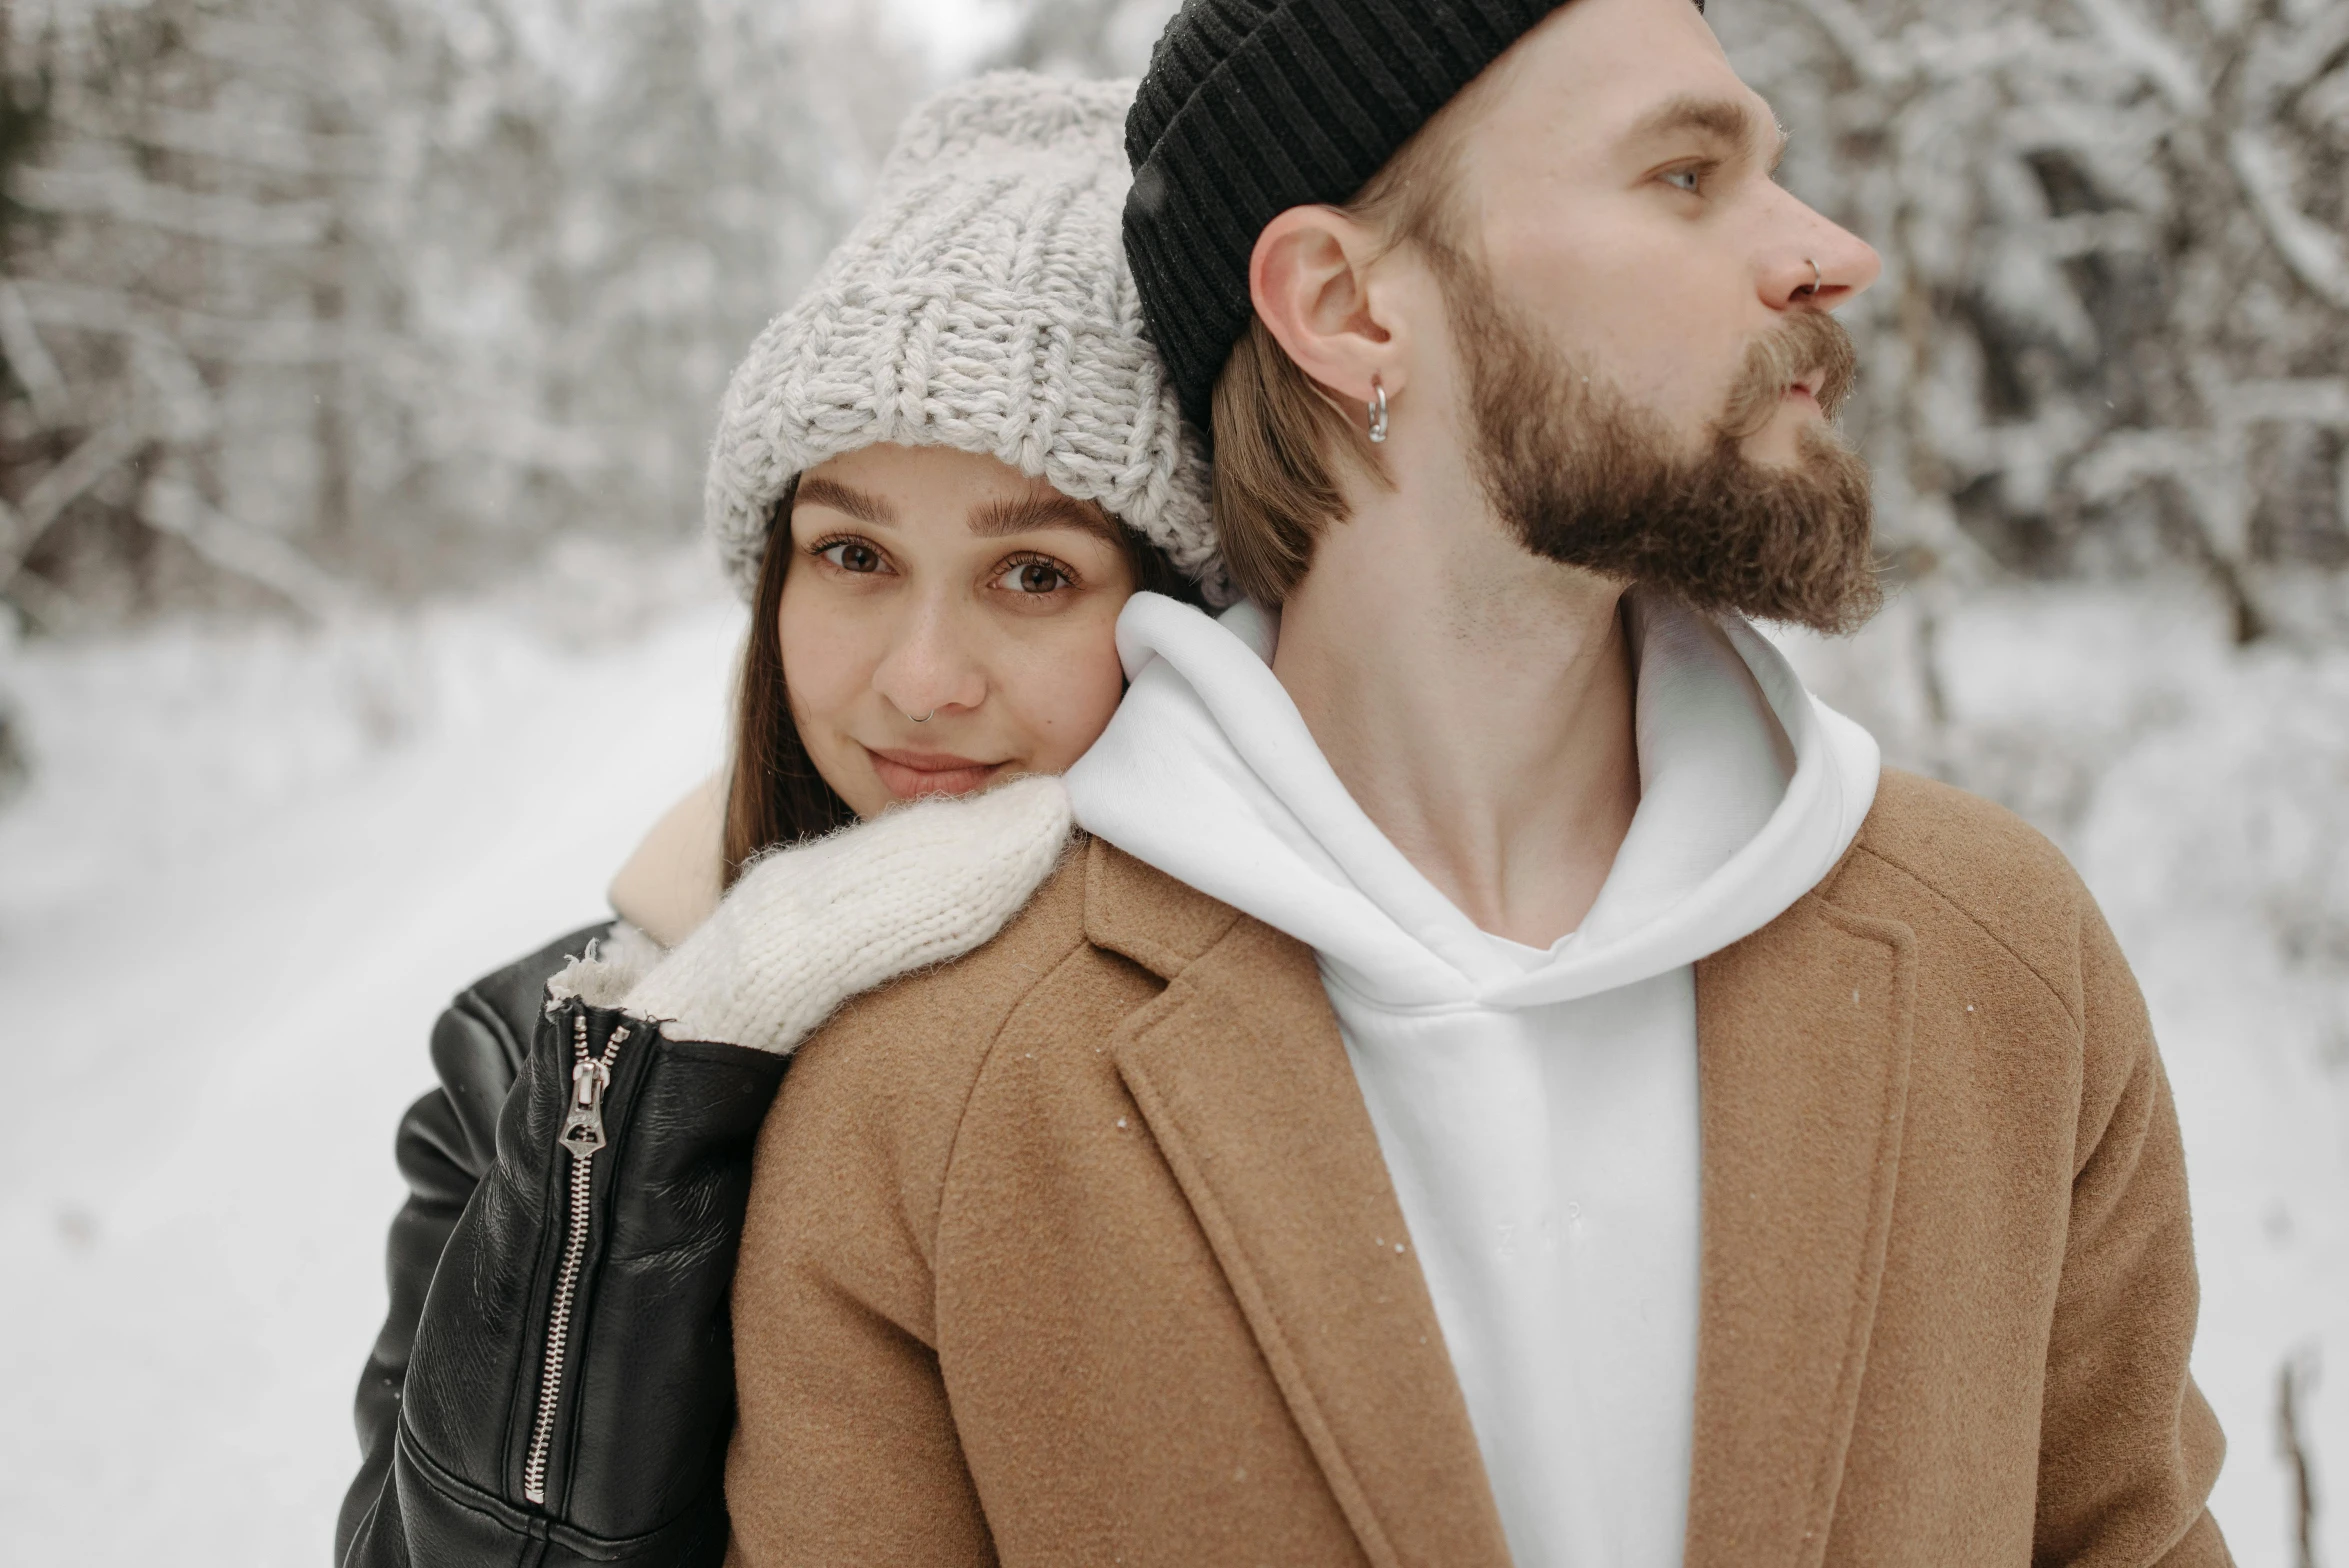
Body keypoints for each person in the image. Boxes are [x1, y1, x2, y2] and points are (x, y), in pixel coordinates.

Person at [719, 1, 2231, 1564]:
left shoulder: (2005, 962)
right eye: (1686, 178)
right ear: (1345, 305)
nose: (1828, 252)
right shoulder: (929, 1099)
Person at [333, 71, 1215, 1567]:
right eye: (853, 551)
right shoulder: (530, 1065)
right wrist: (669, 1084)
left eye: (1035, 574)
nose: (920, 679)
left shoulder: (1273, 1038)